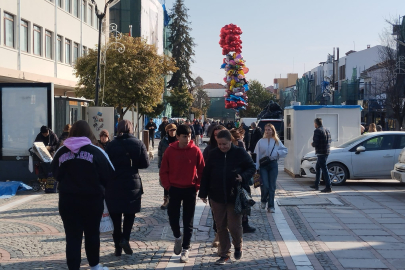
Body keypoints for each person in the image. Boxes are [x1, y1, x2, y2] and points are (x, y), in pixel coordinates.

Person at [51, 120, 114, 270]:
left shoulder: (61, 151)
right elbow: (110, 173)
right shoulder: (96, 151)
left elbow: (55, 173)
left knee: (72, 236)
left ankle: (73, 267)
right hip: (92, 200)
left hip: (68, 200)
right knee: (92, 234)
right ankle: (94, 265)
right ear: (89, 133)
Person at [199, 130, 256, 265]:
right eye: (219, 144)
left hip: (234, 195)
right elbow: (206, 174)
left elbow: (252, 167)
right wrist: (203, 193)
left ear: (230, 141)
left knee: (234, 225)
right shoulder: (213, 154)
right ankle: (224, 253)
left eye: (224, 144)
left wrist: (243, 176)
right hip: (216, 195)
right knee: (220, 226)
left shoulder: (239, 152)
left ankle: (238, 245)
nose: (222, 146)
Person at [159, 125, 205, 263]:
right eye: (185, 136)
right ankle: (177, 237)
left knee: (188, 220)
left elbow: (202, 170)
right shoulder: (169, 150)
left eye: (189, 136)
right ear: (178, 137)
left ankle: (186, 248)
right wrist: (168, 186)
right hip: (174, 188)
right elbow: (163, 170)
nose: (188, 138)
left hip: (190, 189)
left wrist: (197, 185)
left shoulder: (196, 150)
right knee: (173, 216)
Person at [105, 120, 150, 256]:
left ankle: (117, 248)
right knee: (130, 214)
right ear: (131, 129)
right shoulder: (138, 143)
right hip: (132, 182)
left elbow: (105, 163)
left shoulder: (111, 145)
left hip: (114, 183)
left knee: (116, 217)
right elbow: (145, 164)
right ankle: (125, 239)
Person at [254, 123, 288, 213]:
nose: (268, 131)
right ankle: (263, 200)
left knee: (272, 186)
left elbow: (285, 150)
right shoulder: (261, 141)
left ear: (273, 131)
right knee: (265, 185)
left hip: (273, 164)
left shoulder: (276, 141)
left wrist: (277, 153)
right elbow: (257, 154)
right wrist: (256, 167)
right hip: (263, 165)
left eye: (269, 129)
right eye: (266, 130)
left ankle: (271, 206)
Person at [157, 123, 178, 210]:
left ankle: (176, 200)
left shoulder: (179, 140)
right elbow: (159, 153)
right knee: (165, 182)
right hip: (166, 165)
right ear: (167, 131)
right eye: (171, 130)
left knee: (176, 182)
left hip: (177, 164)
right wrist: (160, 164)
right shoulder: (163, 141)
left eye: (174, 130)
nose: (172, 132)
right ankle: (166, 200)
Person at [309, 118, 332, 193]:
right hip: (326, 151)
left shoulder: (317, 131)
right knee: (318, 168)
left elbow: (316, 143)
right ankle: (316, 184)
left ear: (316, 123)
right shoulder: (327, 130)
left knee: (324, 169)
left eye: (314, 123)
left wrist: (312, 144)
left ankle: (328, 187)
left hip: (320, 152)